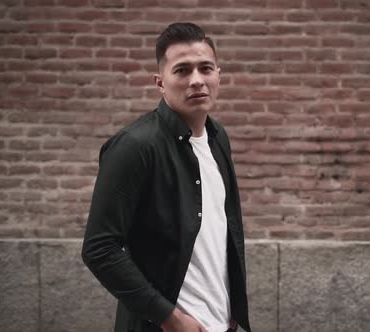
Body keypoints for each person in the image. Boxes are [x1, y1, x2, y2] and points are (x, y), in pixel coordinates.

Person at [82, 22, 251, 332]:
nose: (197, 80)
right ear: (160, 82)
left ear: (219, 75)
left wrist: (232, 311)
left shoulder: (217, 138)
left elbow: (220, 235)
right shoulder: (135, 146)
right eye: (182, 71)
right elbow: (99, 248)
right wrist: (169, 318)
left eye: (205, 68)